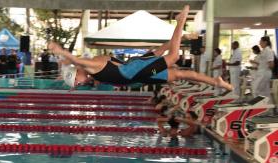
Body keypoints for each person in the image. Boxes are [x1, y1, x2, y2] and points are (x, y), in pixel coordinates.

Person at [49, 6, 232, 91]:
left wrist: (61, 52)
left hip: (134, 71)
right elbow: (75, 66)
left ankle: (180, 21)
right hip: (137, 73)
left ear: (77, 74)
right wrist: (64, 69)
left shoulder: (90, 65)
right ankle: (216, 81)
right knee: (180, 73)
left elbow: (76, 60)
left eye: (76, 82)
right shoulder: (91, 74)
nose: (80, 84)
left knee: (174, 56)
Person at [255, 37, 274, 101]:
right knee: (265, 91)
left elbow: (271, 64)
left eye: (260, 41)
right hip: (262, 72)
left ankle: (260, 106)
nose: (259, 43)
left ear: (265, 42)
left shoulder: (268, 50)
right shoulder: (264, 50)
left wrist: (265, 69)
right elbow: (262, 62)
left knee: (257, 89)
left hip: (264, 73)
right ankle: (267, 107)